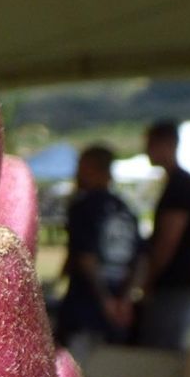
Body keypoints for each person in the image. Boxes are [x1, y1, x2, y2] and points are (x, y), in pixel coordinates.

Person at [57, 145, 141, 361]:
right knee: (110, 371)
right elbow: (141, 259)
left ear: (93, 169)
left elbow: (86, 257)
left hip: (86, 306)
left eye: (81, 166)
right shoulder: (125, 208)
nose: (76, 172)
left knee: (78, 372)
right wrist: (124, 299)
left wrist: (105, 301)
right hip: (117, 304)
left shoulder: (84, 207)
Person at [136, 120, 190, 349]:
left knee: (161, 351)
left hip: (172, 282)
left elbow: (168, 240)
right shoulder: (181, 183)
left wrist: (149, 279)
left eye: (150, 144)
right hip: (178, 280)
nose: (146, 150)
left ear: (167, 144)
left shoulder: (180, 185)